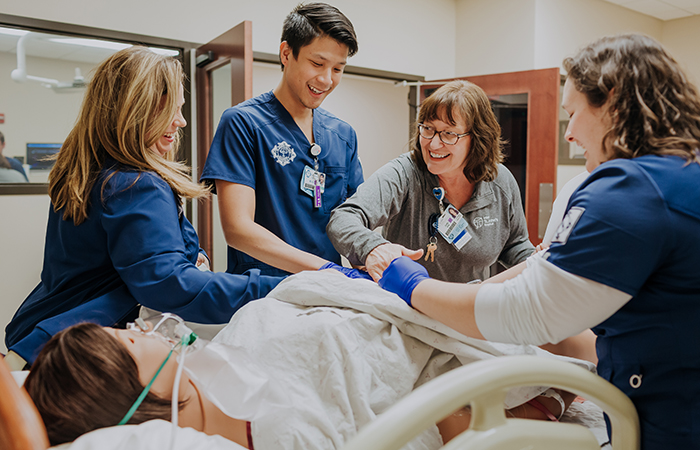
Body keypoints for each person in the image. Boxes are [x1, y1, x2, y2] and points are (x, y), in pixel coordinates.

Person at [377, 33, 700, 450]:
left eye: (573, 114)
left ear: (614, 102)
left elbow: (529, 310)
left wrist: (412, 286)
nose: (569, 135)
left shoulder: (628, 192)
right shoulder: (680, 176)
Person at [25, 281, 581, 449]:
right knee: (563, 357)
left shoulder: (212, 368)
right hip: (395, 353)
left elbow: (272, 317)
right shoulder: (286, 433)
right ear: (141, 394)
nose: (142, 328)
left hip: (347, 315)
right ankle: (552, 391)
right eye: (128, 341)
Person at [3, 47, 287, 370]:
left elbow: (138, 259)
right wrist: (280, 286)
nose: (180, 122)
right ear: (136, 109)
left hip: (38, 334)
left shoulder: (86, 172)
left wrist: (191, 254)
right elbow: (170, 285)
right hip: (76, 353)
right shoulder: (134, 185)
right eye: (173, 110)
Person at [200, 3, 364, 277]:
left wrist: (372, 258)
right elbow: (238, 230)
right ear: (286, 53)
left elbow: (355, 220)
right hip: (264, 292)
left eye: (338, 69)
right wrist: (324, 269)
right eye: (317, 63)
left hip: (328, 294)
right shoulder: (243, 123)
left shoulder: (342, 135)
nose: (326, 79)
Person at [327, 80, 534, 282]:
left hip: (467, 308)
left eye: (448, 134)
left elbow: (514, 245)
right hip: (407, 309)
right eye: (428, 129)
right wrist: (372, 247)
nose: (434, 144)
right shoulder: (405, 173)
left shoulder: (500, 181)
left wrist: (539, 262)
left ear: (478, 138)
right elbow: (343, 218)